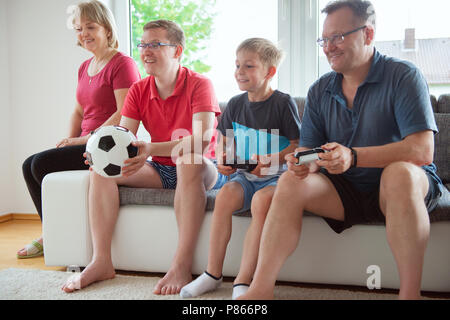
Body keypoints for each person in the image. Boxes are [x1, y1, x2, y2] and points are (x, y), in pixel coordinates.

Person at [239, 0, 444, 300]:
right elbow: (308, 149)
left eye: (338, 37)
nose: (329, 47)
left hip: (400, 188)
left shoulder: (403, 76)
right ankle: (259, 290)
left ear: (368, 34)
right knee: (290, 182)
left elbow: (422, 150)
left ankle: (409, 295)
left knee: (399, 174)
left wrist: (354, 155)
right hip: (344, 190)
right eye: (325, 39)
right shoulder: (320, 89)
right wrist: (303, 163)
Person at [61, 19, 226, 295]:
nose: (146, 50)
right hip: (161, 171)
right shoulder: (139, 89)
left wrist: (150, 148)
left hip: (202, 168)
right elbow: (122, 137)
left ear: (177, 51)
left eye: (155, 44)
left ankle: (181, 264)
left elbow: (202, 140)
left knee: (187, 160)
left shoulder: (200, 84)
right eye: (143, 44)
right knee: (101, 172)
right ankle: (101, 261)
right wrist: (100, 155)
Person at [180, 38, 301, 299]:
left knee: (260, 203)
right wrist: (223, 159)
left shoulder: (283, 103)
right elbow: (224, 144)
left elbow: (296, 145)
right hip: (244, 176)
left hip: (276, 178)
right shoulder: (235, 104)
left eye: (248, 66)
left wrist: (272, 159)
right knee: (224, 197)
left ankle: (244, 281)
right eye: (237, 65)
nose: (240, 72)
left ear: (270, 72)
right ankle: (212, 274)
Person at [18, 0, 140, 259]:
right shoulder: (85, 67)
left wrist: (84, 140)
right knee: (30, 164)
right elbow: (78, 111)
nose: (83, 33)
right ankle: (52, 231)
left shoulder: (122, 64)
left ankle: (51, 235)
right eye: (78, 28)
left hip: (109, 146)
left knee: (39, 164)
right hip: (86, 142)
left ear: (107, 29)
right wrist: (69, 140)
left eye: (90, 26)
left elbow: (124, 112)